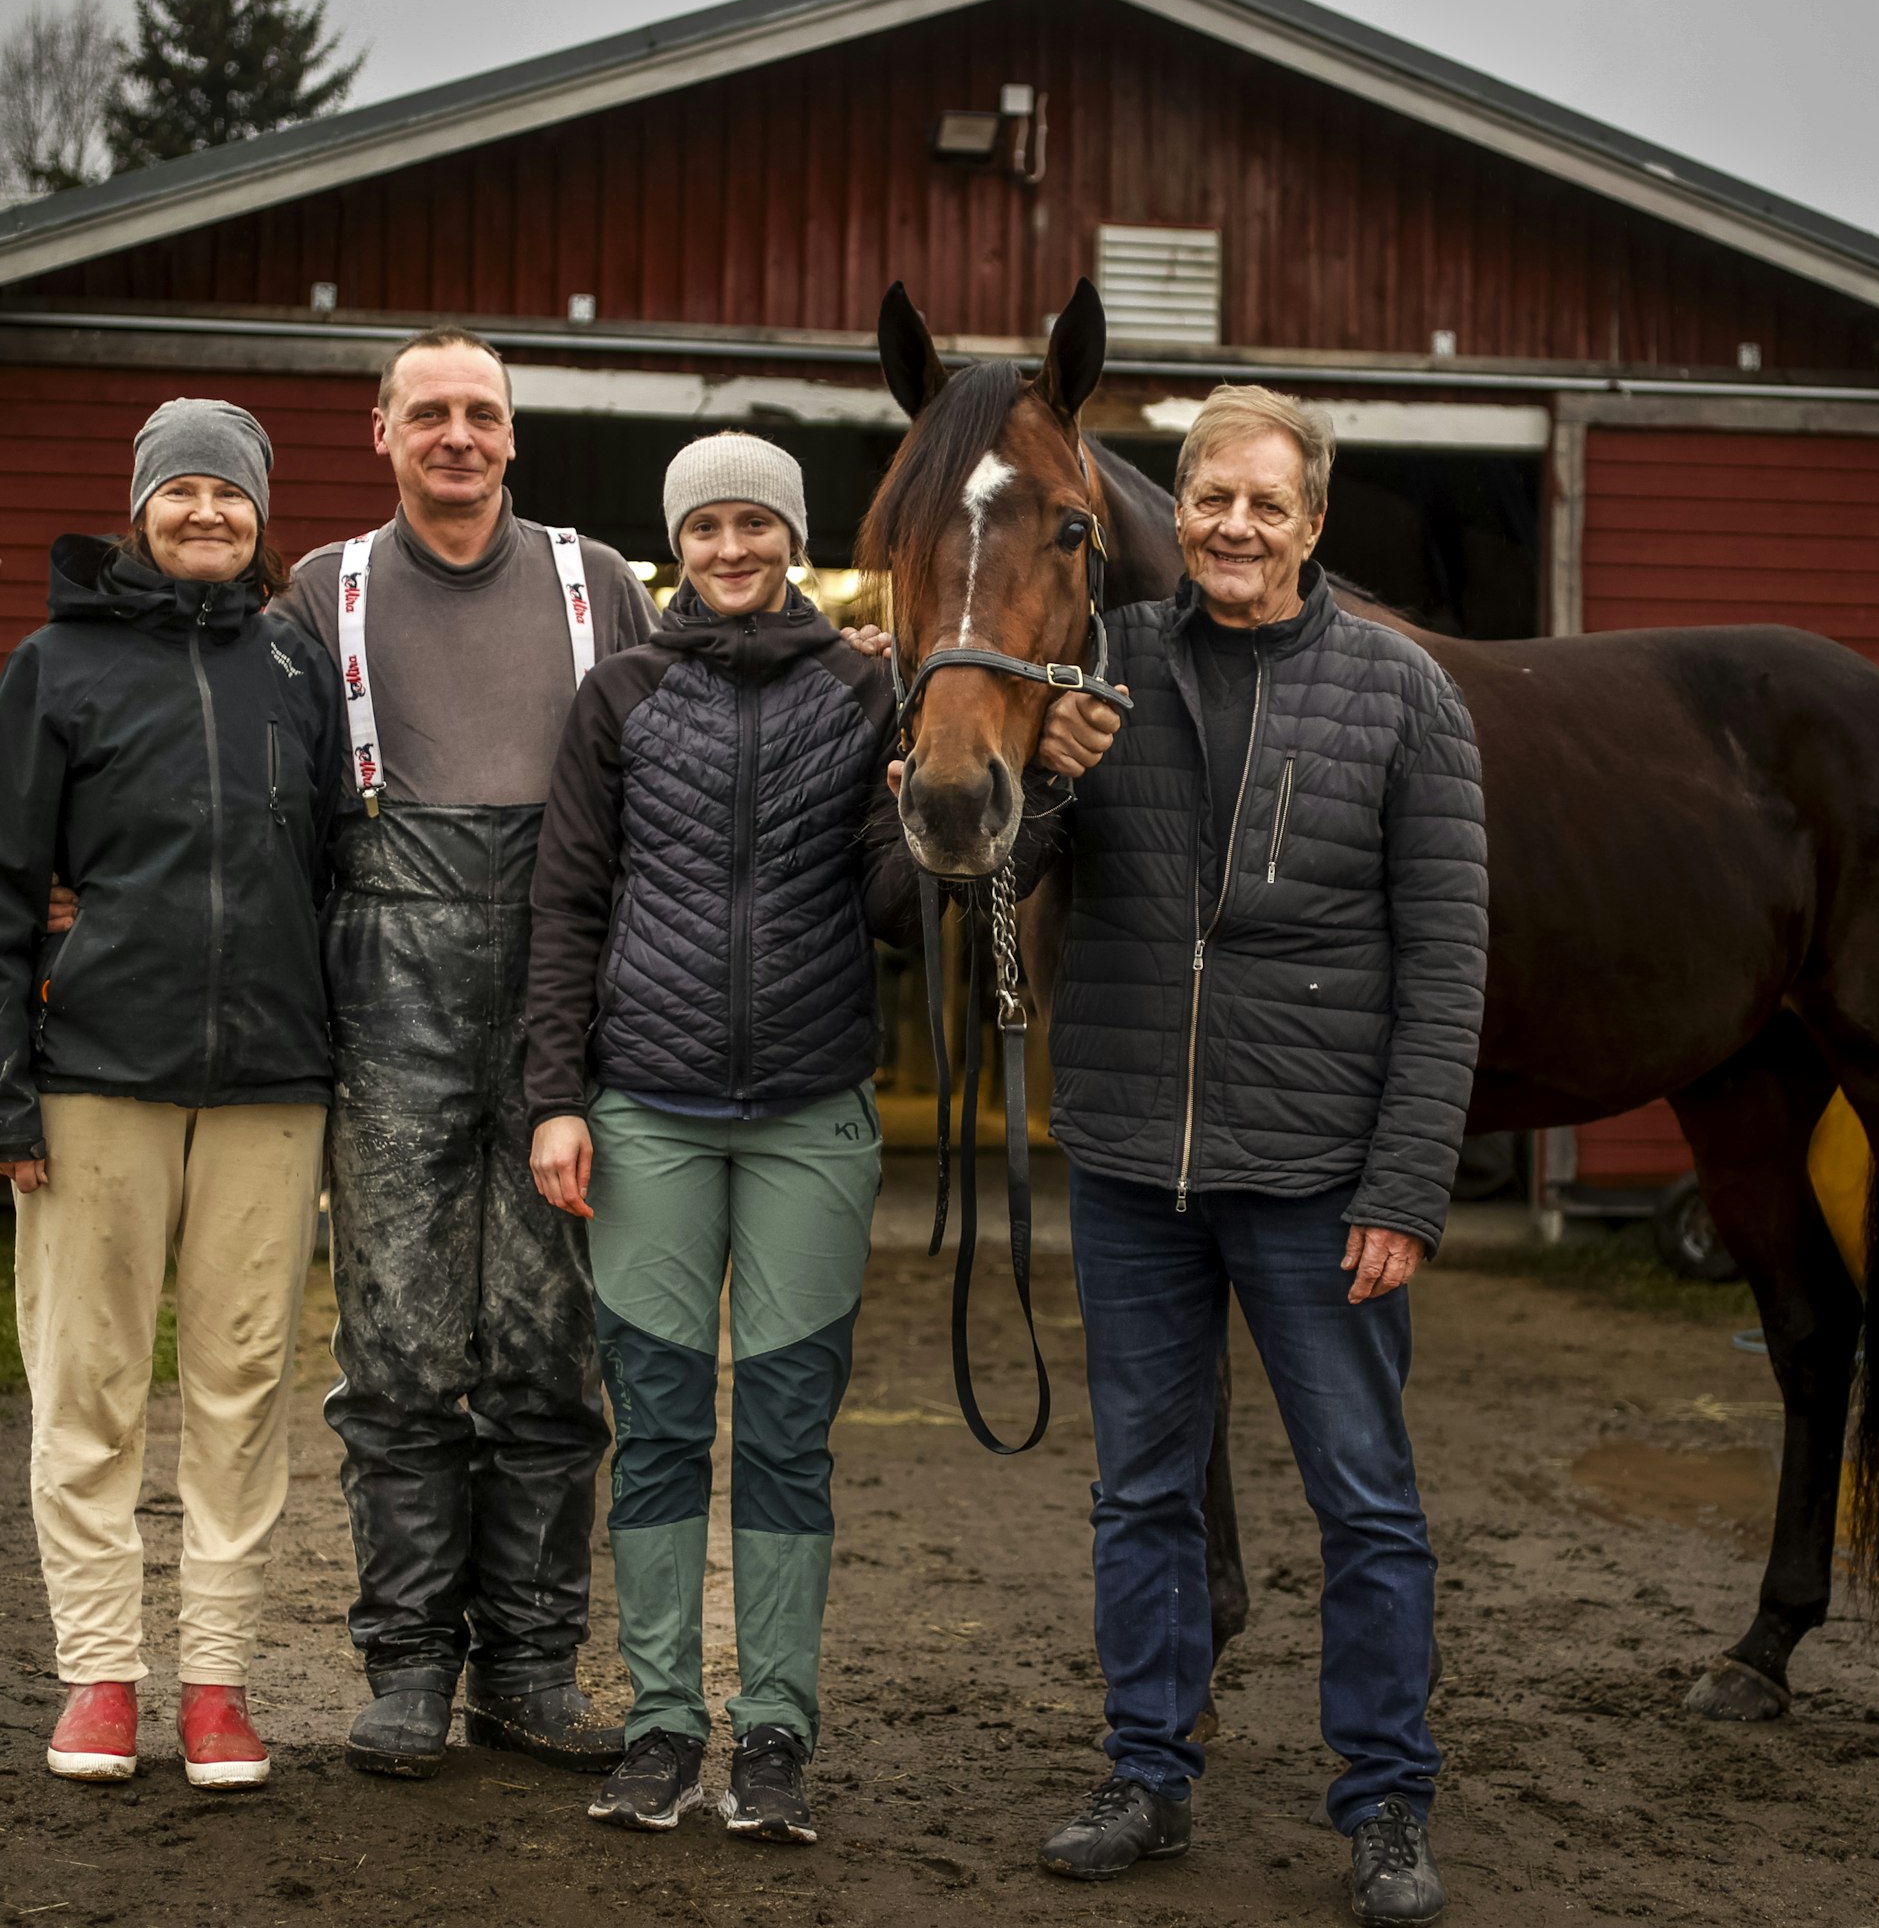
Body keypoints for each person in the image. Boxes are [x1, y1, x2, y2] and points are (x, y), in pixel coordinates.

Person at [1025, 386, 1487, 1924]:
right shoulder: (1104, 669)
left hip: (1318, 1182)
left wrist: (1408, 1189)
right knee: (1143, 1492)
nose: (1234, 525)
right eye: (1212, 497)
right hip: (1134, 1167)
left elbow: (1447, 973)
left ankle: (1386, 1803)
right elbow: (991, 875)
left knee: (1364, 1499)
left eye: (1266, 504)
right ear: (1183, 504)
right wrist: (1042, 768)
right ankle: (1149, 1771)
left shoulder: (1402, 692)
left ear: (1313, 522)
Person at [279, 327, 657, 1779]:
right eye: (427, 411)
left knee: (556, 1347)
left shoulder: (598, 581)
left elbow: (669, 781)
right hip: (388, 984)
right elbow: (279, 806)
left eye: (481, 413)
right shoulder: (325, 588)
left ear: (515, 436)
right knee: (398, 1346)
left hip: (566, 985)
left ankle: (536, 1664)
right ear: (381, 433)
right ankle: (409, 1664)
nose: (457, 435)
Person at [524, 433, 913, 1844]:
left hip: (812, 1110)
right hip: (648, 1113)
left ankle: (777, 1732)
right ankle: (661, 1724)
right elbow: (566, 902)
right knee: (665, 1427)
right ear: (674, 545)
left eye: (756, 524)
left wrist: (997, 807)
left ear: (791, 537)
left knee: (791, 1437)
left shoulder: (869, 686)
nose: (732, 549)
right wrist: (555, 1095)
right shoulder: (619, 693)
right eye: (707, 528)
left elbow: (897, 901)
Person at [0, 400, 344, 1790]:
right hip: (97, 1082)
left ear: (262, 521)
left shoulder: (296, 667)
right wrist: (6, 1092)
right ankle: (97, 1676)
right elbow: (9, 886)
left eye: (232, 496)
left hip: (272, 1081)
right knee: (85, 1383)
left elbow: (330, 868)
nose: (208, 513)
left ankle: (215, 1682)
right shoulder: (55, 667)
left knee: (243, 1382)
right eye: (183, 491)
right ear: (141, 506)